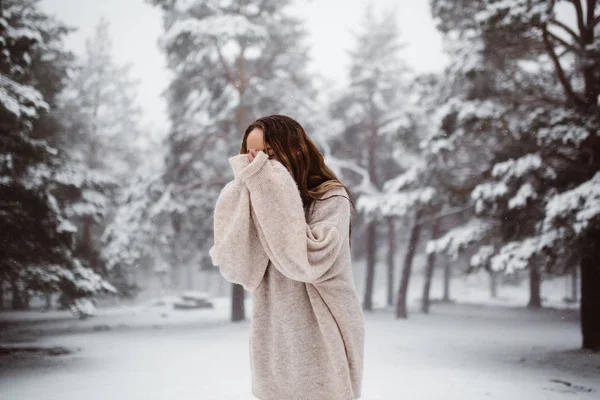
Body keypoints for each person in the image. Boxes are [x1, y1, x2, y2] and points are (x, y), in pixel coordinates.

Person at [209, 115, 364, 400]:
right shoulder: (259, 197)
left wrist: (269, 184)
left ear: (294, 149)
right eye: (250, 155)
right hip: (275, 334)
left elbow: (306, 261)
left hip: (323, 329)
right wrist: (244, 194)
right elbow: (238, 268)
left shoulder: (330, 198)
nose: (258, 164)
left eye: (268, 154)